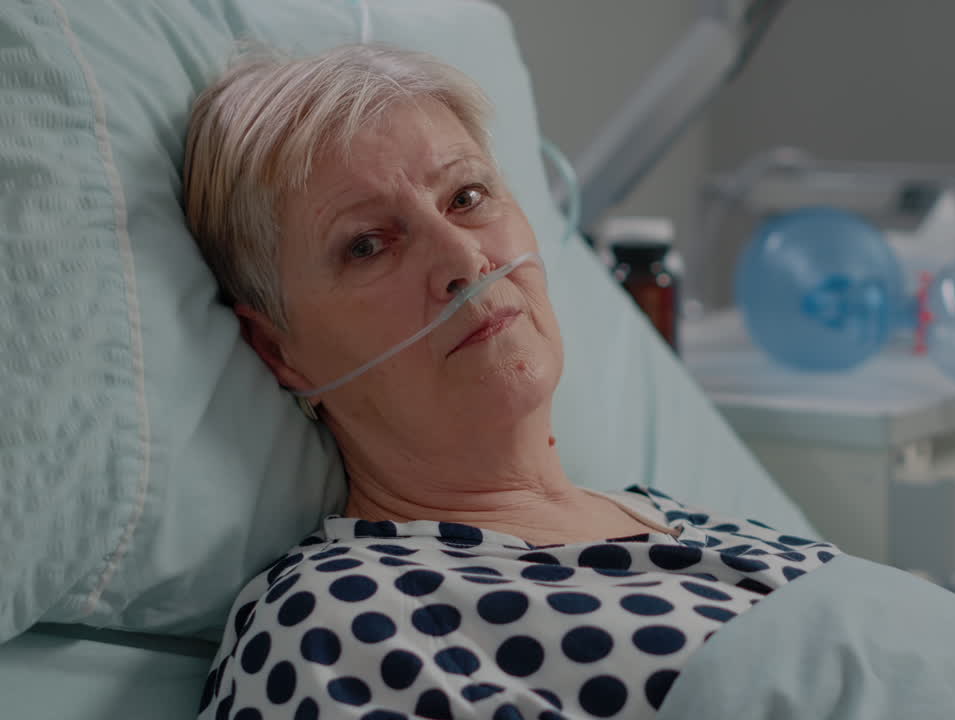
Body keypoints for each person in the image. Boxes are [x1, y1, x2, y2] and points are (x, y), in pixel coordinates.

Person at [184, 45, 836, 720]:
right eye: (368, 244)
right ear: (277, 349)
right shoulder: (341, 625)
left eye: (467, 197)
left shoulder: (710, 529)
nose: (465, 260)